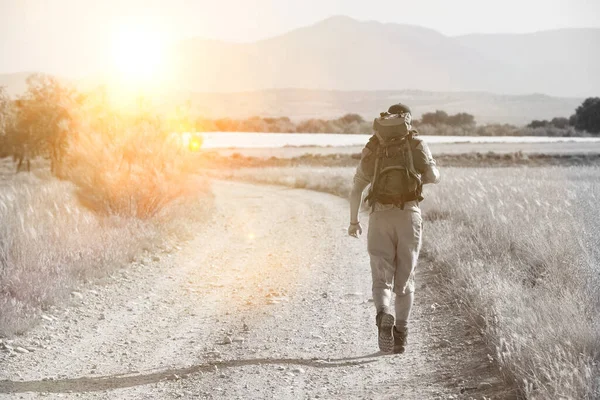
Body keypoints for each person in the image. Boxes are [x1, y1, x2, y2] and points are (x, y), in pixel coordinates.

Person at [348, 103, 440, 354]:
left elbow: (356, 188)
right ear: (408, 120)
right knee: (405, 279)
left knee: (381, 274)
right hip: (409, 214)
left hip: (379, 216)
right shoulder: (416, 144)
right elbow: (433, 176)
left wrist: (353, 222)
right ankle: (400, 336)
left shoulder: (375, 146)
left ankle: (382, 316)